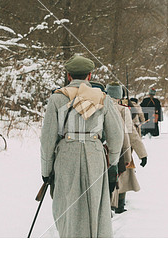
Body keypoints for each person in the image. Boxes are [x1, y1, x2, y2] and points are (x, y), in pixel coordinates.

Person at [40, 55, 124, 238]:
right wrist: (114, 163)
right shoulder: (103, 98)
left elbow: (47, 139)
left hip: (66, 154)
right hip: (95, 154)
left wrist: (46, 170)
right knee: (95, 205)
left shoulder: (57, 99)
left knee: (67, 205)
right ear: (90, 75)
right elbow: (117, 136)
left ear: (69, 76)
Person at [106, 83, 148, 214]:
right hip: (120, 150)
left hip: (100, 149)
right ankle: (118, 206)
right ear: (119, 96)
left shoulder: (98, 106)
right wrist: (143, 153)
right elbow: (131, 134)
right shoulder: (123, 110)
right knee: (123, 176)